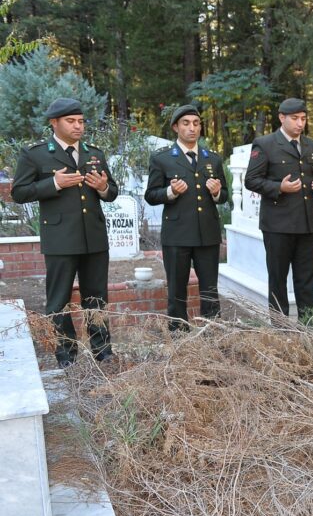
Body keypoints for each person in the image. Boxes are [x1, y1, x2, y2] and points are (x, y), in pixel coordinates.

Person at [12, 97, 118, 366]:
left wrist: (103, 187)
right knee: (58, 299)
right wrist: (54, 183)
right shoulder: (35, 154)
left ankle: (102, 351)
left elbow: (112, 192)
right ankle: (66, 354)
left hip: (94, 237)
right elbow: (19, 192)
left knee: (97, 298)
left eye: (81, 121)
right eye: (71, 121)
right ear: (54, 123)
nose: (78, 126)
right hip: (60, 239)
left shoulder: (94, 153)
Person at [144, 104, 229, 329]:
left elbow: (225, 196)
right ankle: (179, 335)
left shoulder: (213, 159)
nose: (192, 128)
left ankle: (212, 332)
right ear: (175, 127)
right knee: (177, 289)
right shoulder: (162, 158)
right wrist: (171, 192)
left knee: (210, 289)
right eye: (186, 123)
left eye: (196, 123)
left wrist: (217, 192)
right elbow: (151, 195)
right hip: (178, 235)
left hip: (207, 234)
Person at [244, 97, 313, 321]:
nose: (300, 123)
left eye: (303, 118)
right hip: (278, 224)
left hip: (307, 223)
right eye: (295, 119)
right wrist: (278, 187)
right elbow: (251, 180)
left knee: (306, 278)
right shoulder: (265, 144)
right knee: (278, 278)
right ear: (282, 118)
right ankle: (281, 327)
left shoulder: (312, 146)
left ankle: (309, 325)